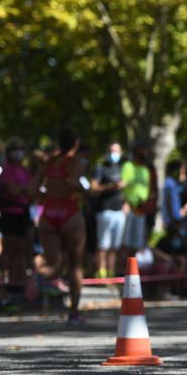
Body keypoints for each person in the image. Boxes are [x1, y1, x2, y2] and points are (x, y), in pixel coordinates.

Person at [34, 126, 88, 323]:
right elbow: (73, 182)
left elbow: (33, 189)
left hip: (49, 212)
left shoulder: (47, 164)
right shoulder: (77, 162)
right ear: (76, 143)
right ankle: (74, 312)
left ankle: (37, 274)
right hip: (69, 212)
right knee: (75, 265)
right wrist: (88, 193)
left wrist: (48, 195)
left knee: (54, 263)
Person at [0, 138, 33, 286]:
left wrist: (23, 191)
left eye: (21, 149)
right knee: (9, 249)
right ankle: (3, 282)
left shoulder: (25, 171)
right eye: (15, 149)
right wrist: (23, 190)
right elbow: (13, 190)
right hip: (9, 213)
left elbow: (31, 192)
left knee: (22, 250)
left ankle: (18, 282)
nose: (19, 152)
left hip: (23, 213)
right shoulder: (7, 170)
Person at [92, 141, 126, 279]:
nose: (114, 154)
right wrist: (110, 186)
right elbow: (94, 187)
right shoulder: (100, 168)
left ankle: (112, 273)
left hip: (119, 211)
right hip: (105, 210)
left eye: (117, 151)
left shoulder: (123, 168)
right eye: (112, 151)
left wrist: (126, 203)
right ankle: (101, 272)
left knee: (115, 246)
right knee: (103, 245)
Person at [121, 144, 151, 259]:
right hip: (129, 208)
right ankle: (120, 270)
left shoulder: (145, 170)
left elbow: (146, 190)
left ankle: (131, 270)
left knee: (136, 243)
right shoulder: (128, 166)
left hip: (140, 209)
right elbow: (123, 185)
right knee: (125, 241)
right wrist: (125, 202)